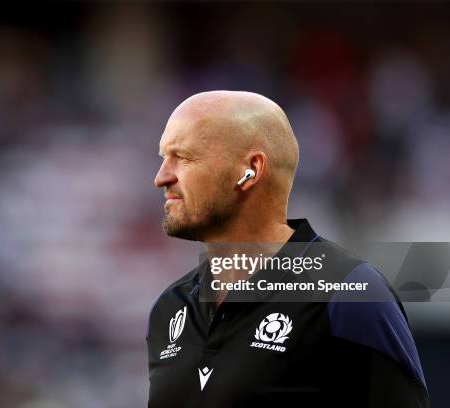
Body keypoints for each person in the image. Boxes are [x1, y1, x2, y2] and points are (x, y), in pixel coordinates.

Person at [147, 91, 429, 407]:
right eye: (163, 158)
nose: (161, 177)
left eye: (183, 157)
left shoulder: (346, 293)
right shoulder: (170, 308)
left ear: (250, 170)